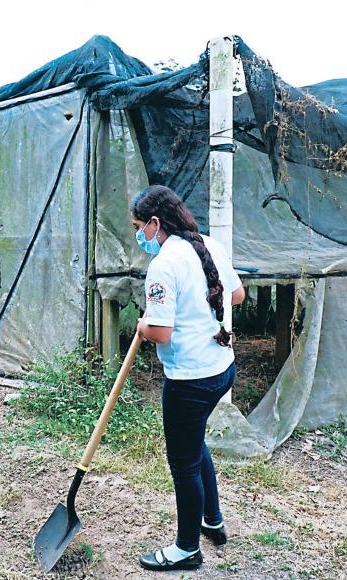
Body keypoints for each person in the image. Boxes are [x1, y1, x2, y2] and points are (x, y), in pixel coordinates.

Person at [131, 185, 245, 572]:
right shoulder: (208, 245)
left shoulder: (163, 264)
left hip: (189, 381)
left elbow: (161, 333)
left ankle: (186, 549)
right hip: (221, 370)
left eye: (139, 227)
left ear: (155, 223)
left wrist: (144, 325)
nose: (139, 236)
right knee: (196, 445)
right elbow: (238, 295)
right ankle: (212, 521)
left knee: (183, 463)